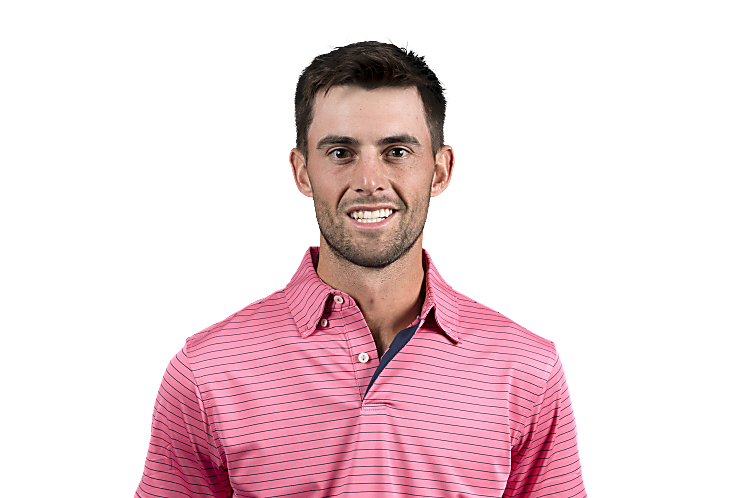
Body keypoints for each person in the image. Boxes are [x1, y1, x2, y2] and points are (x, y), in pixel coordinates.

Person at [134, 36, 588, 497]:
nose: (369, 182)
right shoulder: (205, 370)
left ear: (440, 170)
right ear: (301, 171)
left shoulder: (527, 368)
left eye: (397, 151)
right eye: (340, 153)